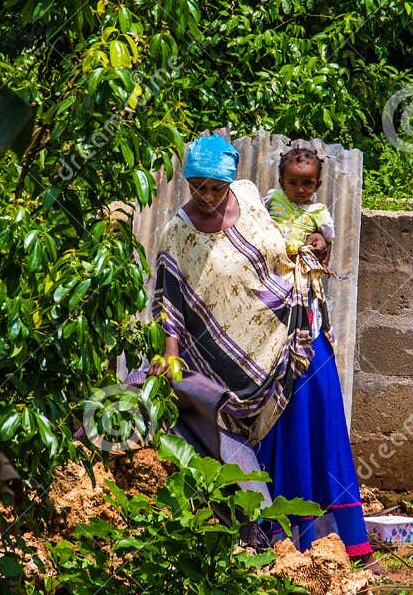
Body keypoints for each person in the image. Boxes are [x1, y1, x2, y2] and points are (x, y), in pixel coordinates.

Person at [152, 133, 371, 561]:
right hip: (238, 363)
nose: (208, 196)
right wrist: (172, 356)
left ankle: (333, 543)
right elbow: (169, 300)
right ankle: (276, 540)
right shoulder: (176, 232)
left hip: (297, 337)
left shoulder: (252, 199)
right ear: (187, 182)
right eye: (198, 186)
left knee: (317, 432)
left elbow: (298, 229)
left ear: (232, 182)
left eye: (217, 187)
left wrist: (320, 244)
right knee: (272, 444)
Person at [265, 145, 337, 335]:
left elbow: (328, 239)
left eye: (307, 183)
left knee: (301, 315)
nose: (300, 189)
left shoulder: (318, 212)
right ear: (282, 182)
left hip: (299, 270)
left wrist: (323, 263)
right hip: (272, 266)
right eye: (293, 182)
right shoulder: (274, 199)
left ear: (318, 184)